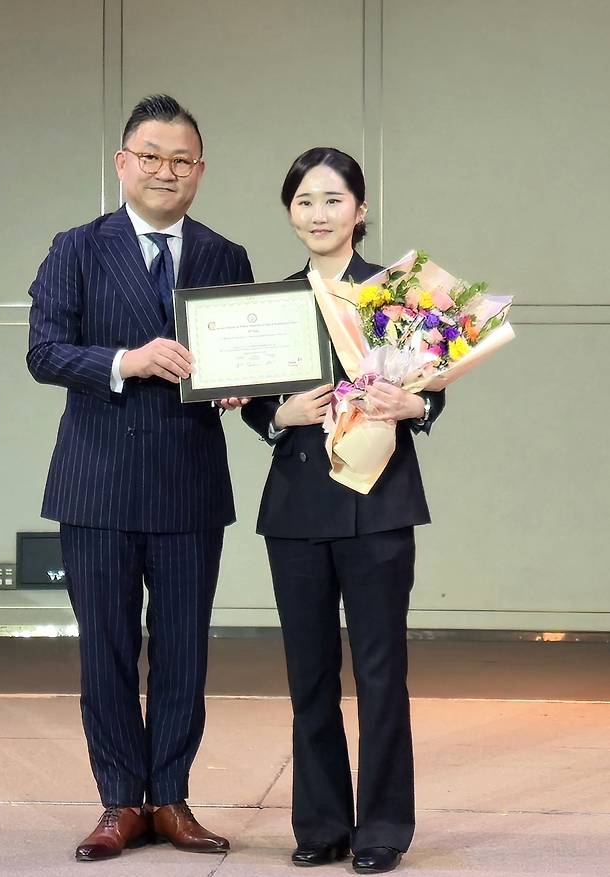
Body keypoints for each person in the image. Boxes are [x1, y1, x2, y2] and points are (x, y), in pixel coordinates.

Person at [27, 94, 253, 862]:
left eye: (181, 159)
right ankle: (120, 800)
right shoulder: (77, 247)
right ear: (123, 163)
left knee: (186, 649)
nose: (166, 171)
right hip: (97, 482)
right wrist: (128, 360)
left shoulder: (227, 256)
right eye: (151, 156)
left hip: (190, 480)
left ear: (200, 170)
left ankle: (172, 797)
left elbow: (244, 361)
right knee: (109, 648)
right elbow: (45, 352)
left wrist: (239, 386)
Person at [242, 147, 445, 874]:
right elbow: (254, 401)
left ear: (360, 210)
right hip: (297, 504)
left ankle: (383, 825)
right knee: (310, 674)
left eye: (332, 199)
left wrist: (416, 402)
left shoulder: (396, 292)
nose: (318, 213)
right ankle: (322, 822)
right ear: (289, 213)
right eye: (303, 201)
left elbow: (436, 380)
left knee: (383, 671)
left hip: (380, 502)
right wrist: (277, 412)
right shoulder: (266, 303)